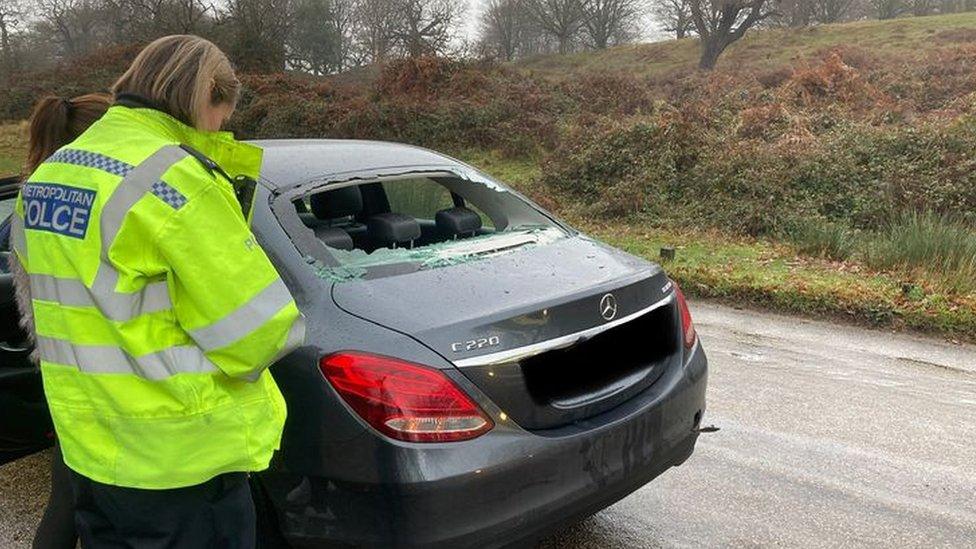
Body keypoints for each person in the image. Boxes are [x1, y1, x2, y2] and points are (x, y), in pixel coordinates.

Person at [10, 35, 305, 548]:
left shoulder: (47, 177)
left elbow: (52, 303)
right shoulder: (175, 179)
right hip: (181, 465)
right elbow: (259, 330)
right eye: (221, 116)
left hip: (90, 453)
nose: (218, 130)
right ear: (206, 99)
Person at [10, 93, 113, 549]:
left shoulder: (32, 200)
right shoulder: (113, 203)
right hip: (115, 378)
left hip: (60, 367)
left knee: (68, 496)